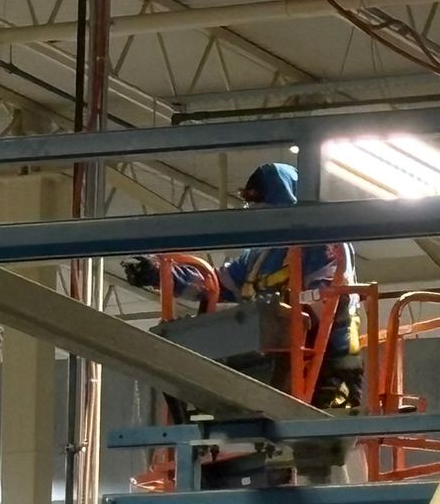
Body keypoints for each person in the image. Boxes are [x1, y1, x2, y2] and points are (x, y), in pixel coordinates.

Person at [123, 162, 363, 410]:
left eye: (266, 210)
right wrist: (162, 275)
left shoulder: (323, 244)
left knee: (329, 438)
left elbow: (329, 304)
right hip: (272, 363)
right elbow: (214, 285)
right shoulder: (258, 256)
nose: (260, 218)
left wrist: (275, 318)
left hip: (326, 365)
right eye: (255, 210)